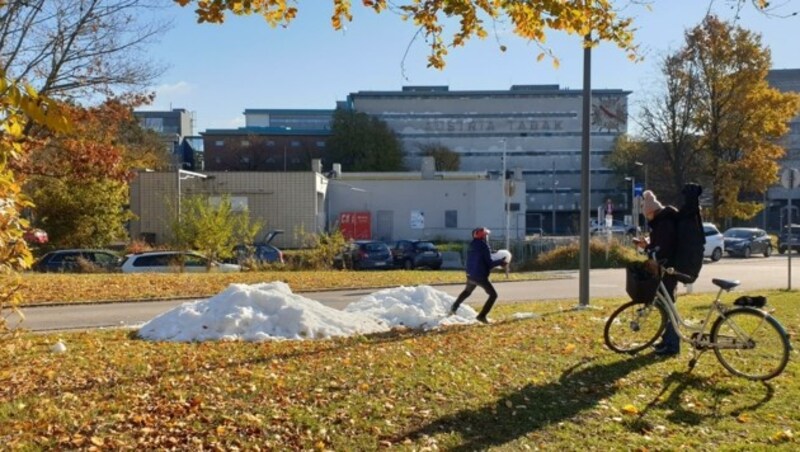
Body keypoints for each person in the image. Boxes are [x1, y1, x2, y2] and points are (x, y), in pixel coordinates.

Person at [634, 190, 681, 356]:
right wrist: (647, 243)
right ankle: (667, 341)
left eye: (647, 215)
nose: (647, 218)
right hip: (667, 269)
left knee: (669, 307)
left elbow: (663, 248)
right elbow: (659, 243)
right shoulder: (663, 221)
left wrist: (646, 247)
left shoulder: (665, 223)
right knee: (666, 305)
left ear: (652, 211)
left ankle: (672, 345)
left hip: (669, 269)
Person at [450, 227, 508, 323]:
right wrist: (501, 262)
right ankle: (482, 316)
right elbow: (489, 263)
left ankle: (453, 308)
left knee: (467, 292)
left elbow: (480, 255)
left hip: (470, 274)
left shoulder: (472, 244)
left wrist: (492, 253)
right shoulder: (484, 245)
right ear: (483, 236)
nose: (487, 237)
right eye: (486, 235)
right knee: (493, 295)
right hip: (480, 276)